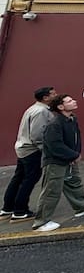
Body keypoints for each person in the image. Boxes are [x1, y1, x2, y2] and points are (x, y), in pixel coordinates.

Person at [31, 94, 84, 232]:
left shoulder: (72, 119)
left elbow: (76, 138)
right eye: (69, 101)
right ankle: (41, 222)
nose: (74, 101)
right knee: (51, 190)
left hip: (69, 159)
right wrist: (73, 155)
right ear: (60, 107)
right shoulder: (54, 124)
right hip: (55, 162)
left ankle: (82, 207)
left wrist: (74, 154)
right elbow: (54, 145)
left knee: (74, 183)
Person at [1, 87, 57, 221]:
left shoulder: (33, 108)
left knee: (19, 178)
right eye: (53, 94)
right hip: (32, 150)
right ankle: (20, 211)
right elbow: (37, 135)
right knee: (29, 179)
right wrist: (45, 150)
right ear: (45, 98)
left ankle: (8, 208)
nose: (56, 95)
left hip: (23, 148)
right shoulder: (41, 111)